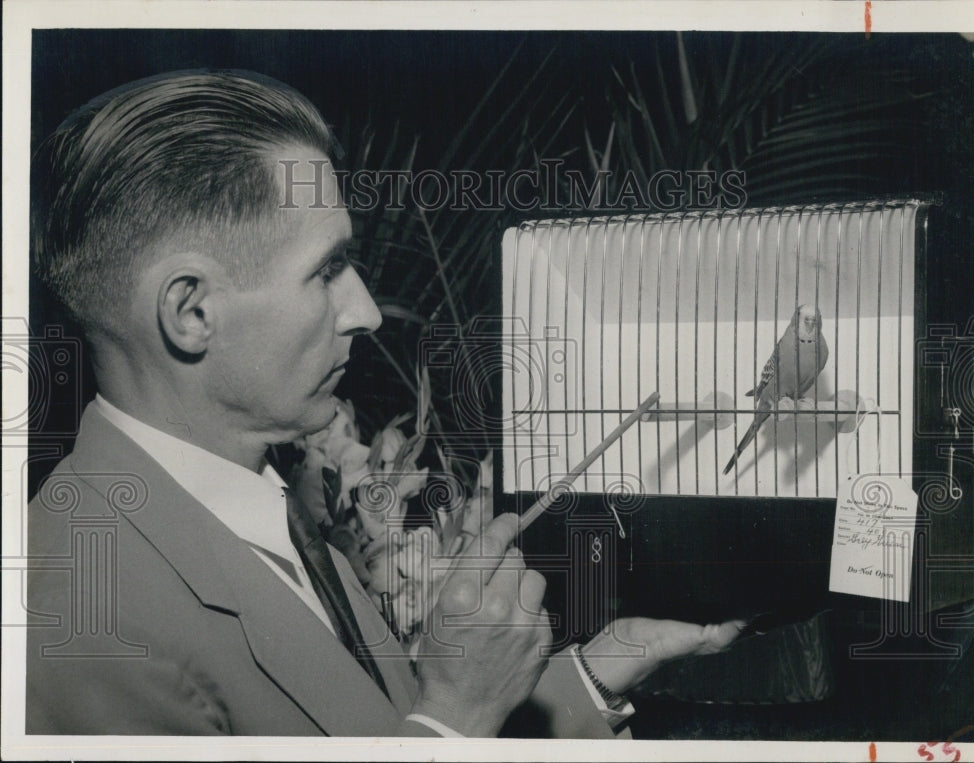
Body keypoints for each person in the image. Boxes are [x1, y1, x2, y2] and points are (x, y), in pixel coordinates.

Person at [26, 69, 743, 738]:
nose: (367, 310)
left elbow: (376, 724)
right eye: (328, 269)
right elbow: (430, 726)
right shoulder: (86, 616)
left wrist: (606, 660)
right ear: (190, 312)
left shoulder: (253, 504)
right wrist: (459, 712)